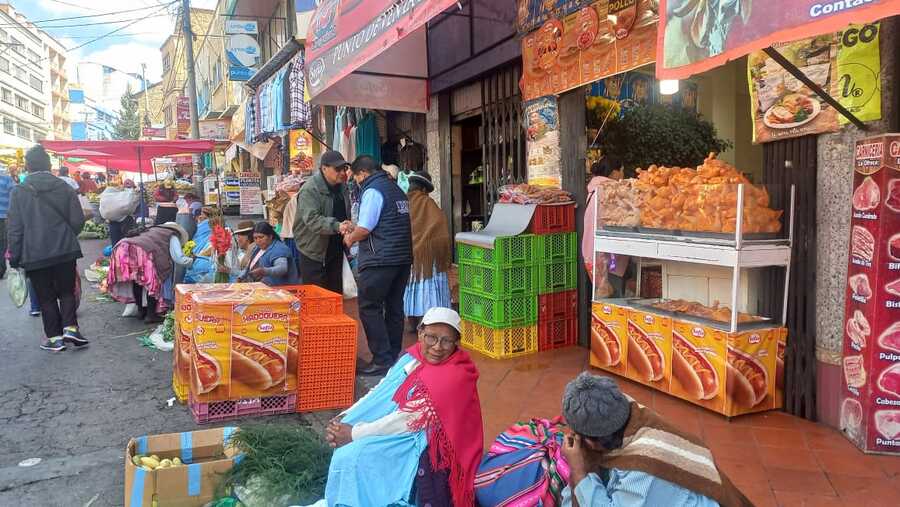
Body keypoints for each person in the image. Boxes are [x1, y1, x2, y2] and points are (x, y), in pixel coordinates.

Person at [313, 307, 483, 507]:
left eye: (447, 341)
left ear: (456, 344)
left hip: (428, 441)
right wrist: (347, 416)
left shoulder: (456, 375)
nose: (437, 347)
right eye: (431, 337)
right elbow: (382, 390)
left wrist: (354, 433)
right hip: (405, 428)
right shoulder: (412, 358)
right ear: (420, 333)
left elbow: (410, 419)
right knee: (347, 449)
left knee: (355, 455)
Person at [559, 373, 751, 507]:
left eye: (575, 434)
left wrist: (579, 472)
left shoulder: (642, 466)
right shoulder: (624, 413)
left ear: (590, 442)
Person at [7, 145, 88, 352]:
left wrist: (14, 256)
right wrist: (66, 234)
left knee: (46, 297)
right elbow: (78, 220)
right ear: (49, 165)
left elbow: (15, 228)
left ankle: (54, 338)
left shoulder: (19, 191)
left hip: (35, 253)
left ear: (27, 166)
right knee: (66, 291)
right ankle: (71, 328)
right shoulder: (64, 187)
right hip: (65, 249)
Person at [343, 156, 413, 375]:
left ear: (363, 173)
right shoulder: (396, 189)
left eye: (355, 176)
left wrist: (350, 238)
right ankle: (392, 355)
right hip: (401, 258)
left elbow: (365, 228)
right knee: (394, 306)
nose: (356, 181)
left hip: (380, 259)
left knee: (369, 306)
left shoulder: (373, 190)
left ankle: (382, 359)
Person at [109, 222, 195, 323]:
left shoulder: (152, 231)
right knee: (153, 283)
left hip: (122, 247)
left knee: (137, 280)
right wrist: (192, 261)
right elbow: (178, 257)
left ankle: (141, 311)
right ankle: (151, 315)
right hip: (143, 251)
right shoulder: (172, 235)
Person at [293, 150, 353, 293]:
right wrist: (338, 226)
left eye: (344, 168)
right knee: (316, 296)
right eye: (337, 169)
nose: (342, 172)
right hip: (313, 251)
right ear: (324, 168)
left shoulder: (343, 187)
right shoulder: (310, 190)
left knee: (335, 294)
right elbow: (312, 220)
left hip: (336, 248)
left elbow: (346, 211)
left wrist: (348, 227)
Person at [403, 171, 452, 327]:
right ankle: (427, 323)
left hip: (408, 255)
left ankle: (411, 322)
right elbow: (440, 223)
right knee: (428, 289)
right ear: (424, 189)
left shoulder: (403, 203)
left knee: (411, 288)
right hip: (428, 258)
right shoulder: (427, 203)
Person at [583, 157, 629, 297]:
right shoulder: (612, 191)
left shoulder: (593, 190)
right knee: (613, 301)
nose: (623, 175)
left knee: (602, 302)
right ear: (614, 172)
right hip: (610, 258)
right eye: (622, 171)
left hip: (592, 254)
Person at [241, 222, 299, 286]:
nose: (258, 241)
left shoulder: (279, 249)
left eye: (261, 237)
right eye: (255, 238)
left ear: (270, 236)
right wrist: (241, 277)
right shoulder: (258, 248)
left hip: (283, 289)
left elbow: (282, 268)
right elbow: (248, 266)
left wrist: (264, 271)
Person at [0, 163, 14, 279]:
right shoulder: (7, 179)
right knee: (2, 242)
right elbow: (14, 195)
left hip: (4, 216)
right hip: (3, 216)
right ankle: (1, 268)